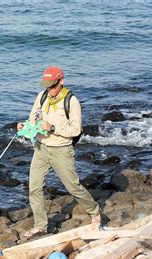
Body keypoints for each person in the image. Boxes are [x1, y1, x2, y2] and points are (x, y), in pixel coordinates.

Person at [17, 66, 101, 238]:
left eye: (52, 86)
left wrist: (53, 128)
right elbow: (33, 119)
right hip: (40, 148)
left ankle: (95, 212)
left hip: (62, 150)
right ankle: (40, 225)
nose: (50, 90)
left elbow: (76, 130)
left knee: (73, 187)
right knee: (34, 188)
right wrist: (25, 126)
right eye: (47, 86)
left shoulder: (72, 101)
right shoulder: (41, 97)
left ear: (61, 81)